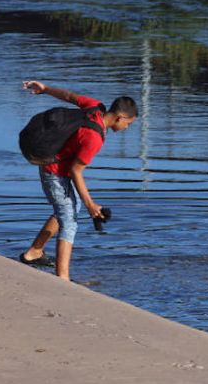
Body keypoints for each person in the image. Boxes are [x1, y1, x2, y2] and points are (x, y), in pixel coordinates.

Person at [18, 81, 138, 281]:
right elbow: (76, 171)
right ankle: (62, 278)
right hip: (54, 171)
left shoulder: (94, 106)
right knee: (69, 220)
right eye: (129, 124)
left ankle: (34, 253)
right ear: (120, 117)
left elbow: (68, 96)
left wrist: (45, 88)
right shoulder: (94, 138)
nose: (127, 128)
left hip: (57, 166)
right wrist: (91, 204)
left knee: (70, 210)